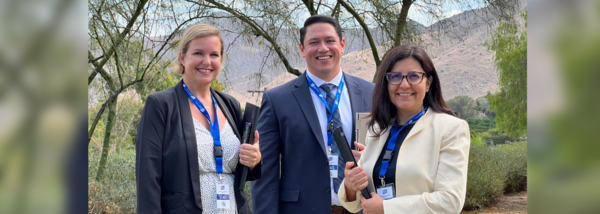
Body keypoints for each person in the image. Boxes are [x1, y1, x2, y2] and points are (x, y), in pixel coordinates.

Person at [250, 15, 374, 214]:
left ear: (342, 45)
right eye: (314, 42)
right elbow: (265, 172)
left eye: (330, 41)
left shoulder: (372, 93)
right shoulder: (277, 100)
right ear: (302, 49)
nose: (323, 48)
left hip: (362, 208)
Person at [136, 24, 262, 214]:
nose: (206, 61)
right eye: (198, 53)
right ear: (182, 57)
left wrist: (254, 160)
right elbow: (148, 178)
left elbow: (242, 174)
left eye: (214, 55)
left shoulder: (231, 105)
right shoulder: (161, 105)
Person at [338, 44, 471, 214]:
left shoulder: (450, 129)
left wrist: (386, 208)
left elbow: (450, 201)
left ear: (428, 83)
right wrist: (350, 187)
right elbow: (355, 203)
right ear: (386, 83)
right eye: (395, 76)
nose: (404, 84)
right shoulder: (378, 130)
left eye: (414, 76)